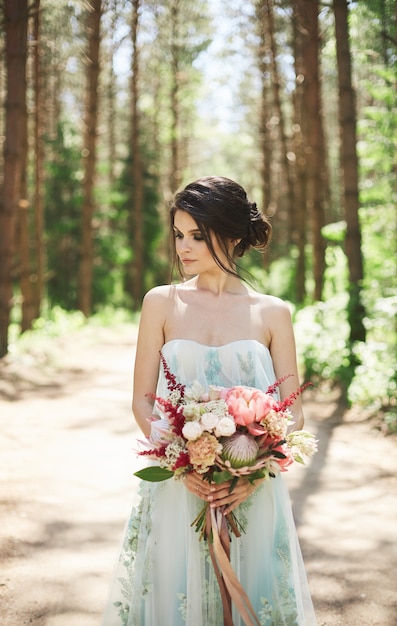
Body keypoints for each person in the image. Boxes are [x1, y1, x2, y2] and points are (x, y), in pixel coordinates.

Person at [102, 176, 316, 625]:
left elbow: (291, 412)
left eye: (197, 236)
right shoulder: (160, 302)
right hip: (178, 488)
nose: (184, 247)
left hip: (250, 492)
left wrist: (253, 475)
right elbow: (143, 402)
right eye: (179, 235)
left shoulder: (272, 311)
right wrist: (182, 465)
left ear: (233, 236)